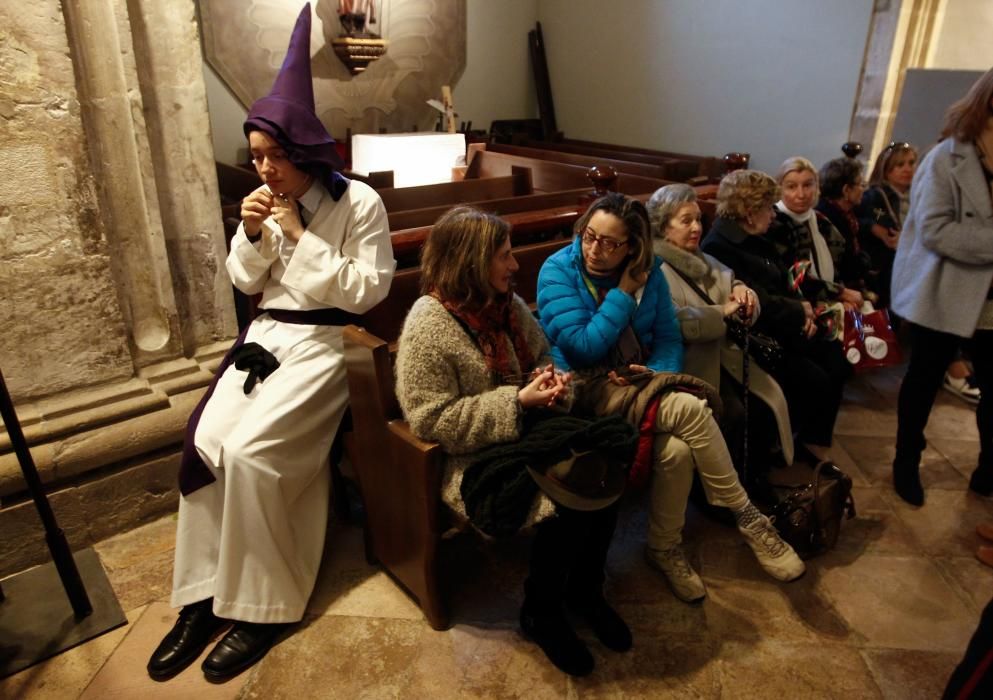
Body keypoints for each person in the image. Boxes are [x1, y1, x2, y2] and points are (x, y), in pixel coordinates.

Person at [147, 4, 395, 682]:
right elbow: (242, 277)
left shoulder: (358, 205)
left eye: (273, 157)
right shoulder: (262, 204)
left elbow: (366, 290)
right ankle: (201, 595)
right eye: (254, 158)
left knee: (254, 454)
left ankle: (264, 603)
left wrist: (299, 234)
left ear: (302, 150)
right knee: (207, 442)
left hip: (326, 346)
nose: (263, 171)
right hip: (266, 339)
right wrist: (255, 235)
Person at [395, 206, 631, 677]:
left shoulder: (507, 306)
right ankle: (541, 611)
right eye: (503, 256)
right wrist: (517, 403)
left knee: (605, 461)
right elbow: (430, 420)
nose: (514, 265)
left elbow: (542, 355)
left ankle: (585, 592)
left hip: (528, 427)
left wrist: (551, 382)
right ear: (471, 262)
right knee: (565, 497)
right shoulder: (429, 324)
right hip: (472, 454)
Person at [537, 192, 804, 606]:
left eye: (610, 243)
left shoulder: (651, 272)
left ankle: (663, 548)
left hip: (635, 384)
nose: (594, 249)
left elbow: (667, 339)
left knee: (677, 452)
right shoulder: (558, 270)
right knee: (690, 408)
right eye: (589, 236)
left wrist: (655, 374)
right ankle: (747, 515)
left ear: (633, 247)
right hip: (581, 391)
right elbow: (583, 346)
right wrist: (623, 294)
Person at [648, 183, 794, 499]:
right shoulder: (652, 269)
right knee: (734, 412)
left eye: (699, 219)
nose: (697, 227)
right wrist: (723, 312)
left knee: (764, 400)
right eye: (686, 220)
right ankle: (716, 493)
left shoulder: (701, 258)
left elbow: (733, 282)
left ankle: (750, 476)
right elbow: (674, 323)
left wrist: (746, 295)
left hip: (720, 357)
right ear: (662, 225)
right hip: (686, 368)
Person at [889, 66, 993, 506]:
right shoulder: (945, 158)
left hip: (990, 300)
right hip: (946, 290)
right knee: (924, 380)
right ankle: (906, 462)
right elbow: (935, 230)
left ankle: (988, 468)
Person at [701, 170, 852, 466]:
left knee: (838, 360)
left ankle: (811, 441)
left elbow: (785, 277)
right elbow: (755, 301)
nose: (773, 213)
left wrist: (804, 309)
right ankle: (783, 449)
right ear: (748, 211)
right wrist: (799, 312)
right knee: (815, 379)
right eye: (768, 207)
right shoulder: (720, 246)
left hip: (785, 321)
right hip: (756, 336)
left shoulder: (756, 235)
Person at [768, 157, 866, 312]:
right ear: (780, 189)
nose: (801, 194)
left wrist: (841, 296)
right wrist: (840, 294)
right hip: (796, 305)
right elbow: (793, 278)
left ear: (817, 187)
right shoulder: (773, 222)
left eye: (807, 185)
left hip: (829, 298)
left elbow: (839, 265)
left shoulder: (821, 221)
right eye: (791, 187)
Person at [857, 141, 918, 308]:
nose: (907, 169)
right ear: (885, 168)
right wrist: (873, 227)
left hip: (911, 264)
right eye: (900, 164)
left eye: (911, 163)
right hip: (883, 268)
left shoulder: (920, 195)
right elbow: (854, 222)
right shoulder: (873, 195)